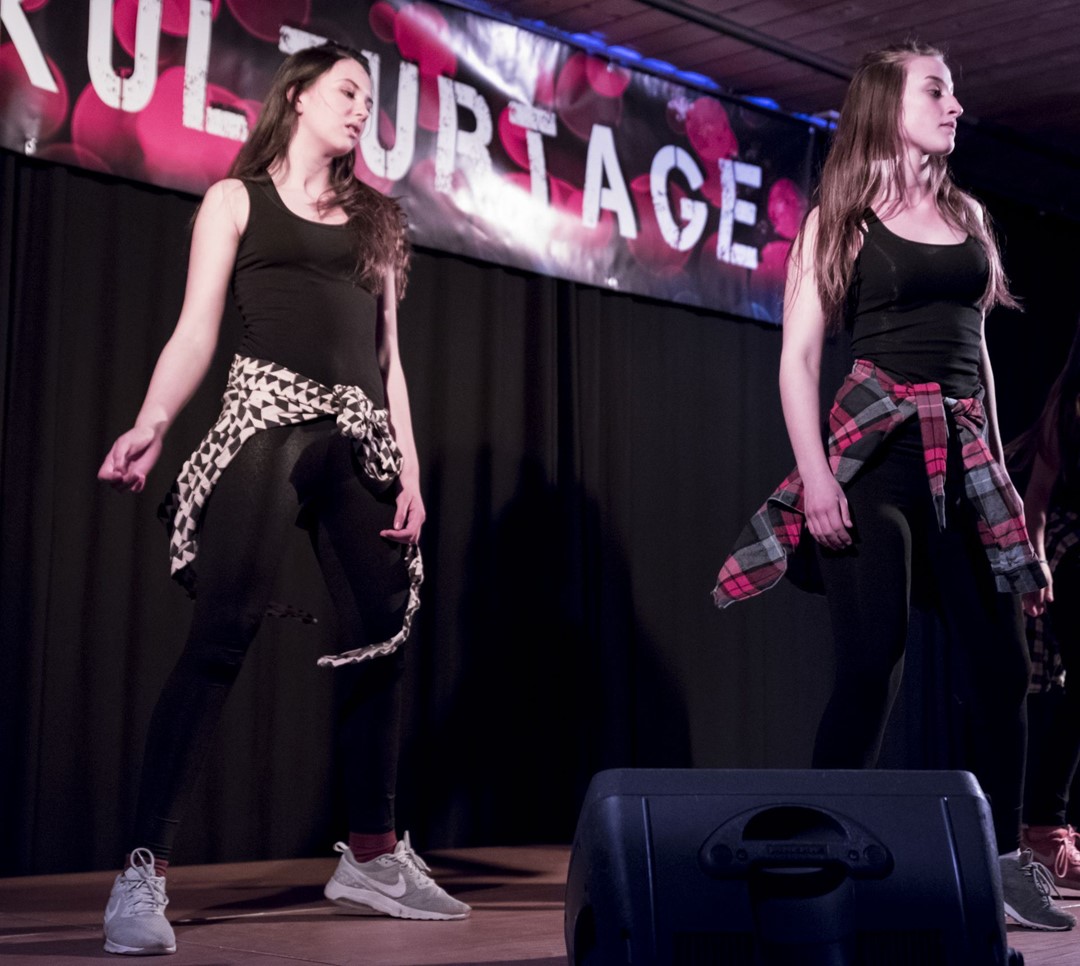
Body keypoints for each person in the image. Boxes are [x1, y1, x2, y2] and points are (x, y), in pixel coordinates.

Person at [97, 43, 469, 957]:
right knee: (222, 632)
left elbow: (388, 361)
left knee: (384, 631)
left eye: (369, 98)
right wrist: (152, 421)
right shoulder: (236, 201)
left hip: (359, 435)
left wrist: (411, 470)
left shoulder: (377, 219)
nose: (362, 108)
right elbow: (195, 331)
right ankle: (142, 871)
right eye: (348, 90)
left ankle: (372, 857)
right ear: (297, 95)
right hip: (267, 420)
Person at [712, 41, 1074, 931]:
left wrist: (1012, 509)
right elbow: (799, 361)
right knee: (873, 664)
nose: (956, 107)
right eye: (937, 91)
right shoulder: (839, 220)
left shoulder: (968, 215)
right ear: (888, 104)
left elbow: (980, 363)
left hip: (966, 463)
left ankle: (1004, 867)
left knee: (1002, 669)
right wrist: (818, 478)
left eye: (954, 93)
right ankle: (817, 856)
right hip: (874, 463)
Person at [1012, 321, 1080, 890]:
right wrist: (1036, 567)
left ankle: (1045, 827)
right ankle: (1043, 831)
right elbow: (1035, 501)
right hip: (1069, 545)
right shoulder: (1070, 406)